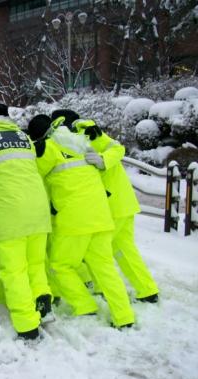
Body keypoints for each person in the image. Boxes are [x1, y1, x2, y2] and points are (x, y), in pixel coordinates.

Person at [27, 114, 135, 329]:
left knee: (60, 265)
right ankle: (124, 317)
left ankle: (84, 305)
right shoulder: (80, 142)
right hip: (101, 216)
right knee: (105, 267)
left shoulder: (48, 148)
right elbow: (113, 150)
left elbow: (32, 174)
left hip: (74, 220)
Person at [0, 102, 52, 341]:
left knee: (14, 272)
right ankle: (43, 302)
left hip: (10, 216)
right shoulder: (24, 139)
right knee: (35, 265)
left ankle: (26, 326)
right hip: (38, 211)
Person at [68, 114, 159, 303]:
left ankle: (105, 289)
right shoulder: (83, 135)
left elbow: (116, 148)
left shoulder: (84, 131)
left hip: (111, 208)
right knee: (124, 249)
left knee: (97, 252)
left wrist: (102, 159)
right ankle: (147, 289)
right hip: (122, 204)